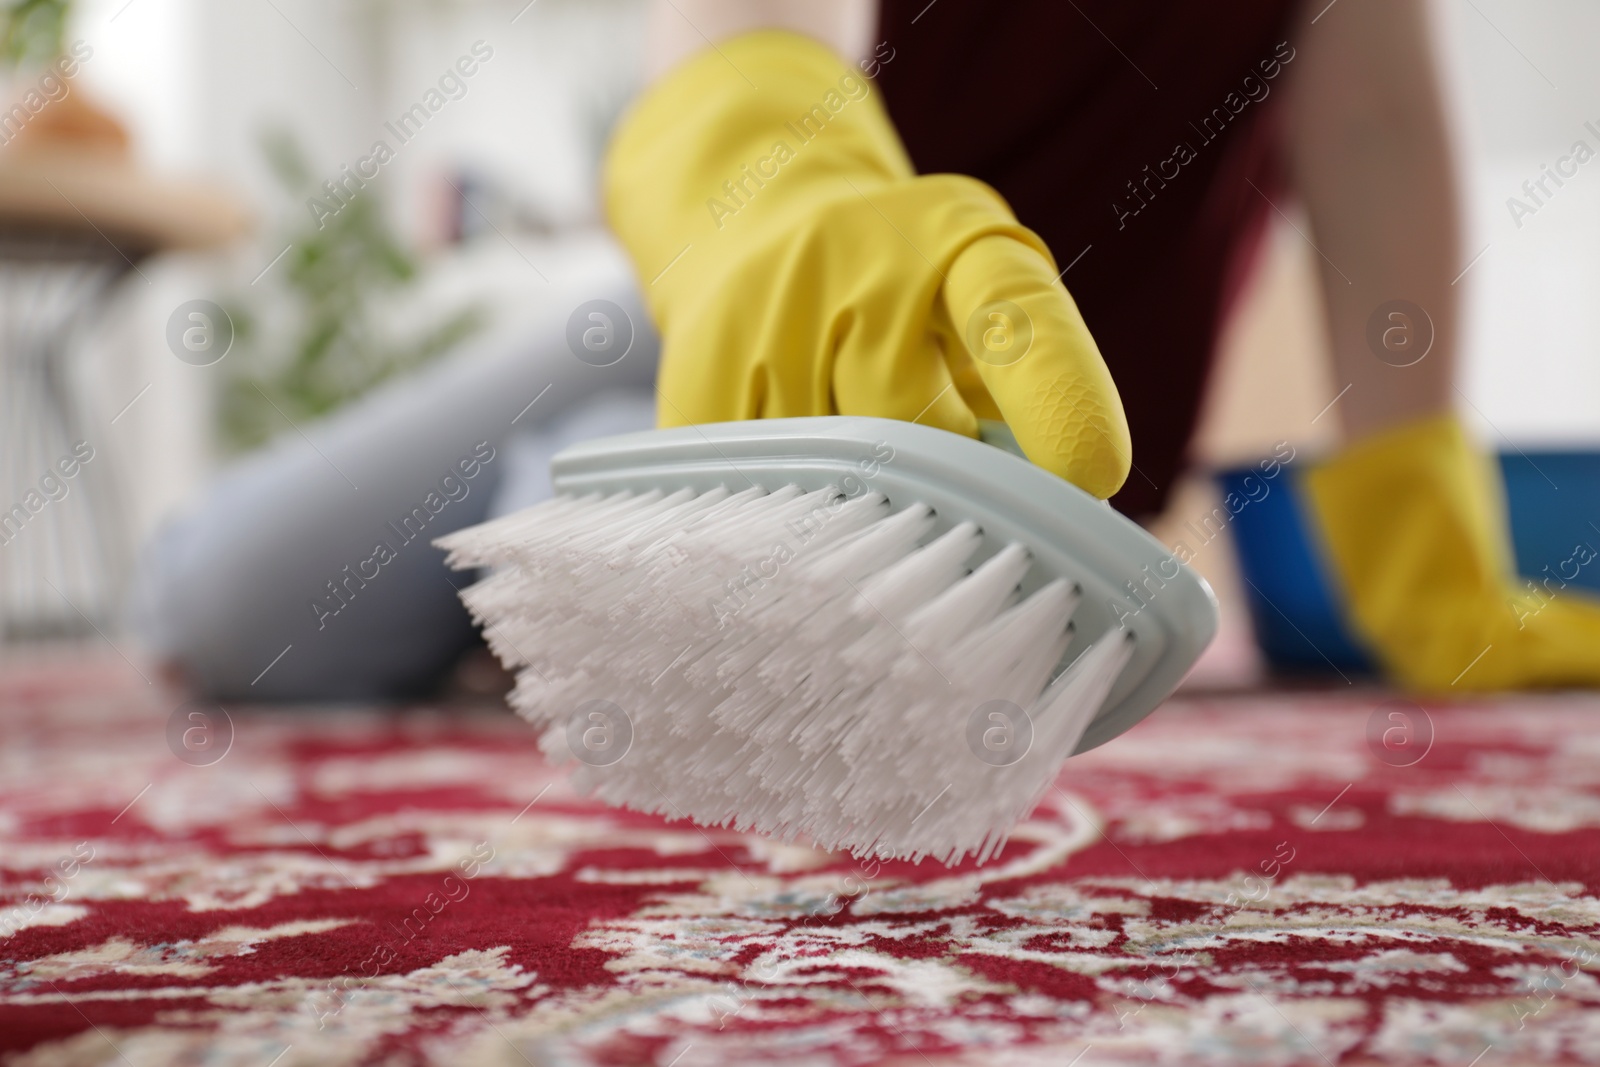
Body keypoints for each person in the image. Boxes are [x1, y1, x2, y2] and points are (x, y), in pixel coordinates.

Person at [136, 0, 1600, 699]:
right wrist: (782, 187)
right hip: (766, 301)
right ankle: (583, 505)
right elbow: (739, 29)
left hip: (1058, 428)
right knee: (228, 608)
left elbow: (1379, 137)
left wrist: (1419, 531)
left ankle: (579, 521)